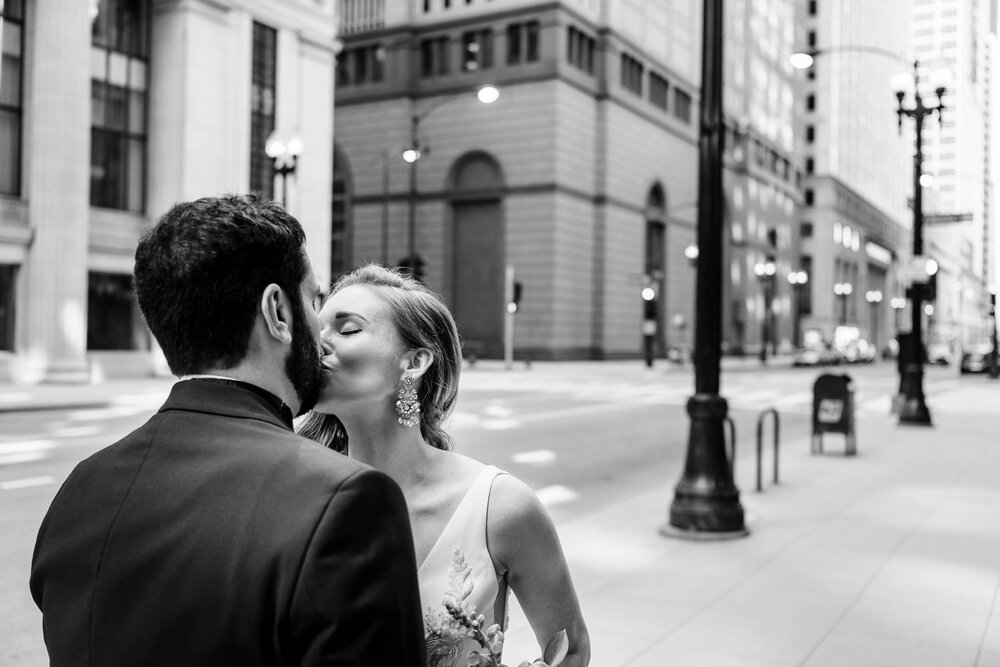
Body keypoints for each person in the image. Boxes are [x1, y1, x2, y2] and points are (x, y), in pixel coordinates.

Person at [30, 195, 427, 666]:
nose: (320, 331)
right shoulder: (346, 500)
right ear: (278, 312)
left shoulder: (81, 488)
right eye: (313, 300)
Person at [297, 264, 590, 667]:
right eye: (317, 327)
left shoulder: (500, 508)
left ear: (414, 362)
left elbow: (570, 650)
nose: (318, 343)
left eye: (346, 330)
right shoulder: (300, 499)